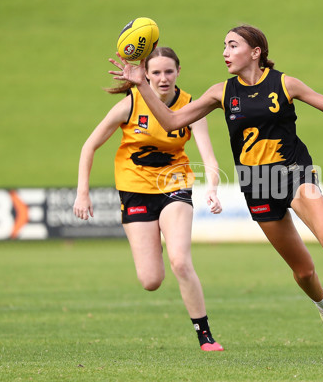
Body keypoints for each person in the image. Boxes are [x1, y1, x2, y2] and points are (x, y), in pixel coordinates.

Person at [109, 26, 323, 343]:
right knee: (303, 271)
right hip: (256, 183)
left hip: (293, 172)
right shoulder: (221, 92)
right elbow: (172, 121)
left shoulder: (284, 83)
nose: (225, 52)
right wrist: (142, 86)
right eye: (224, 46)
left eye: (232, 45)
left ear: (256, 52)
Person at [74, 47, 224, 351]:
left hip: (175, 185)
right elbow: (88, 146)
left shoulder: (191, 106)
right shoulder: (129, 105)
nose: (163, 78)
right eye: (155, 72)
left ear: (179, 72)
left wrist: (212, 186)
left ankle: (205, 335)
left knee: (180, 261)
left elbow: (208, 154)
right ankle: (155, 256)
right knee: (151, 280)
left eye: (169, 71)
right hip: (134, 189)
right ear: (145, 75)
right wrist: (82, 193)